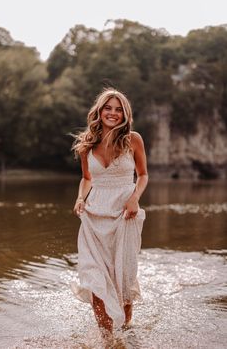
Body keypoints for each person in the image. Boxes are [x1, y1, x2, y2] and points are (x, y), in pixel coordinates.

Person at [71, 87, 148, 343]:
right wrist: (81, 197)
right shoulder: (86, 144)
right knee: (95, 278)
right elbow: (87, 178)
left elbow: (143, 175)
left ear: (125, 114)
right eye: (108, 108)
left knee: (123, 276)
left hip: (124, 214)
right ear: (99, 111)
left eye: (118, 109)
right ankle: (107, 339)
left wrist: (134, 197)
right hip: (94, 215)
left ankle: (124, 332)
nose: (113, 113)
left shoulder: (133, 139)